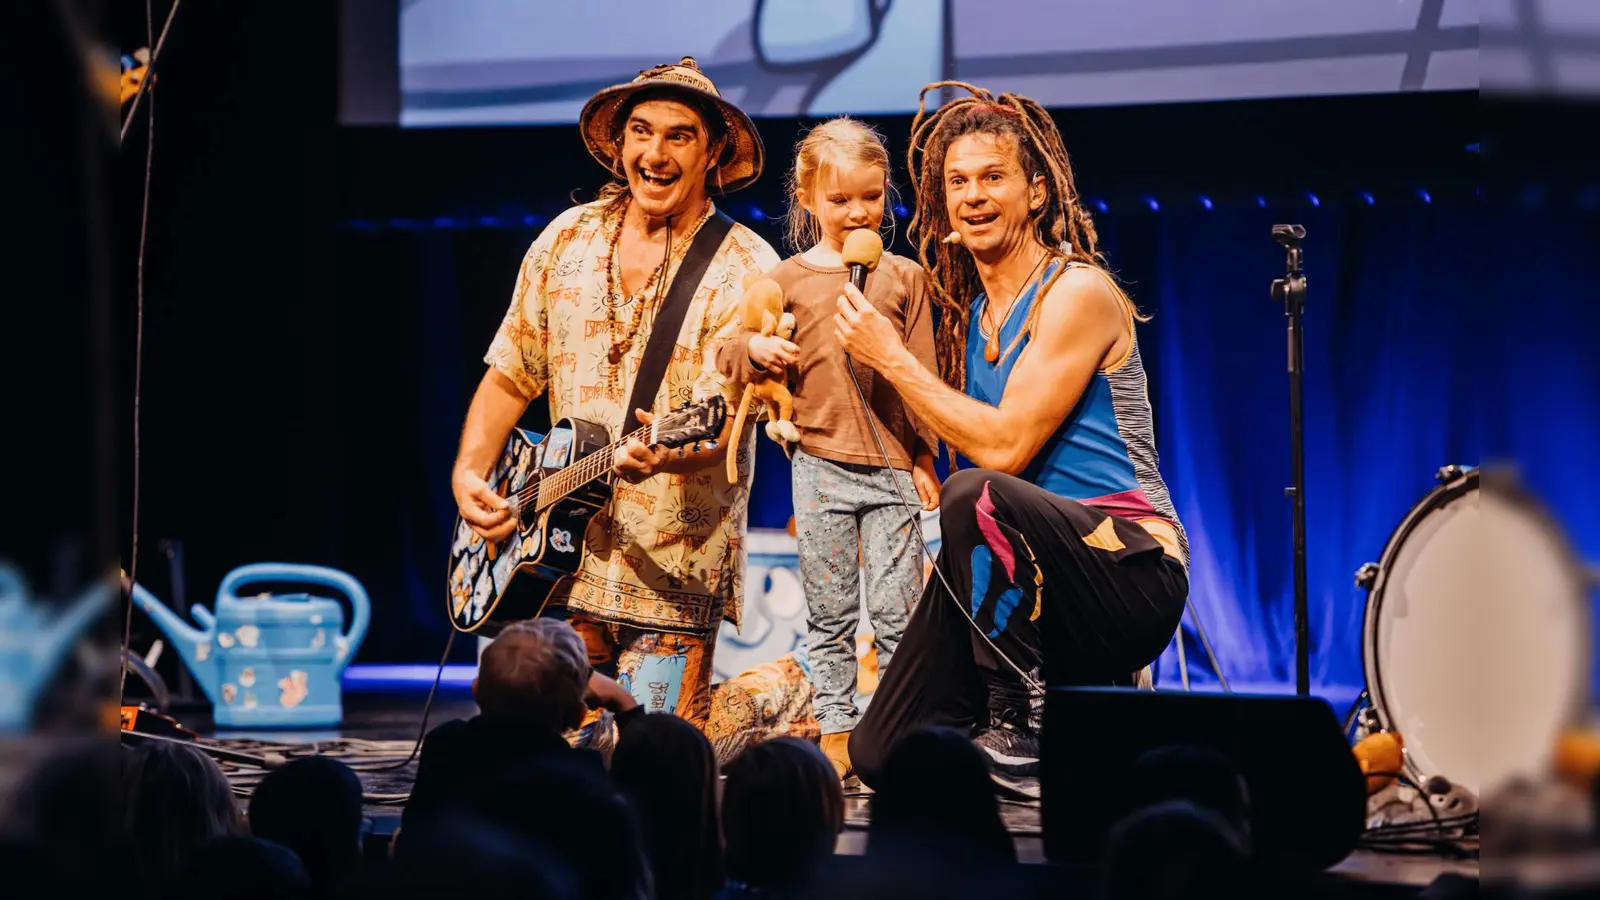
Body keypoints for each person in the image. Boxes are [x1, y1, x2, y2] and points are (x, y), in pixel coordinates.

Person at [832, 82, 1190, 791]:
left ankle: (1021, 723)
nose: (973, 195)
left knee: (977, 489)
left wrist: (892, 358)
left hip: (1132, 571)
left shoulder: (1077, 292)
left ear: (1036, 192)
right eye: (956, 182)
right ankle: (1054, 723)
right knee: (883, 753)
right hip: (1039, 585)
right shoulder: (968, 321)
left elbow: (1000, 453)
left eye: (993, 177)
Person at [450, 57, 781, 735]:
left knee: (651, 755)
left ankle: (781, 700)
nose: (654, 154)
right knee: (541, 753)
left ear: (713, 151)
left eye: (679, 136)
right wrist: (468, 473)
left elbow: (721, 429)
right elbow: (514, 370)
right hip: (553, 567)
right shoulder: (565, 240)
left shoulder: (748, 270)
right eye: (640, 132)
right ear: (619, 143)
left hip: (672, 572)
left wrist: (664, 458)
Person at [715, 117, 940, 779]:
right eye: (839, 199)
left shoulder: (905, 277)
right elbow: (727, 348)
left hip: (893, 471)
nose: (856, 212)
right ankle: (838, 731)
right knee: (831, 611)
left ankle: (904, 730)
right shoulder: (785, 278)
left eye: (869, 197)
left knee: (900, 614)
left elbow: (922, 370)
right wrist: (754, 349)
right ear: (806, 200)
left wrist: (926, 456)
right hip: (818, 468)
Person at [399, 618, 640, 843]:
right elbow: (639, 817)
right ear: (577, 716)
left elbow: (414, 834)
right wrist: (625, 704)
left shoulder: (445, 745)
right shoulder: (579, 770)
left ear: (476, 690)